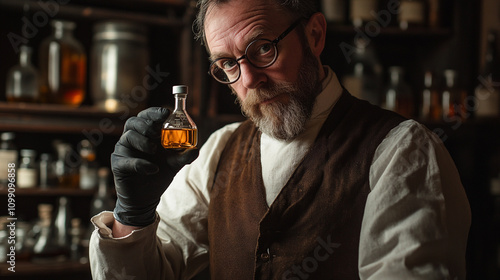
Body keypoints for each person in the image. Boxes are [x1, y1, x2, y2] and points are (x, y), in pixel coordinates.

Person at [89, 0, 471, 279]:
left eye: (262, 49)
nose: (249, 79)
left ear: (314, 35)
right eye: (228, 63)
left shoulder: (401, 151)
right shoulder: (220, 151)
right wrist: (131, 216)